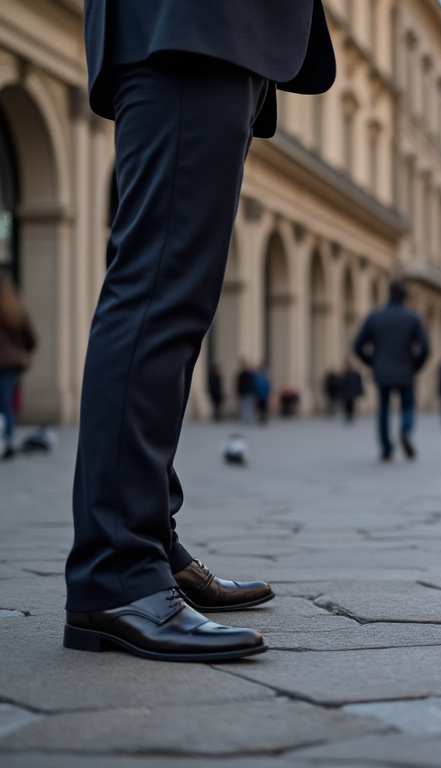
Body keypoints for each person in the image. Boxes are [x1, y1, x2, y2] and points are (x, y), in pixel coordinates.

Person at [64, 1, 335, 662]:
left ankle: (146, 544)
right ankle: (118, 573)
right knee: (158, 292)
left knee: (172, 300)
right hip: (192, 23)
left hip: (210, 31)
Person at [353, 281, 430, 461]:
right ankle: (405, 429)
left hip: (382, 370)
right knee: (408, 406)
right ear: (405, 297)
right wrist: (415, 365)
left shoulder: (375, 316)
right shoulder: (412, 317)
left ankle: (386, 448)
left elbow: (357, 346)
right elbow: (425, 348)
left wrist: (372, 362)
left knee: (384, 410)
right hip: (406, 371)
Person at [0, 272, 37, 460]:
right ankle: (10, 439)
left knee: (4, 401)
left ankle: (8, 439)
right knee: (7, 401)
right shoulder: (16, 310)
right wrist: (22, 353)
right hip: (12, 362)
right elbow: (31, 338)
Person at [338, 357, 364, 423]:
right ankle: (348, 415)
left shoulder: (352, 374)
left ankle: (350, 415)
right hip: (348, 391)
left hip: (350, 391)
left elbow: (358, 383)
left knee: (350, 404)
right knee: (348, 404)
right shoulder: (346, 374)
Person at [236, 359, 256, 425]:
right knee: (246, 407)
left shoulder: (247, 374)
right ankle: (246, 419)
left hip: (247, 392)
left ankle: (248, 419)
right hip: (246, 392)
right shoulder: (244, 374)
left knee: (247, 406)